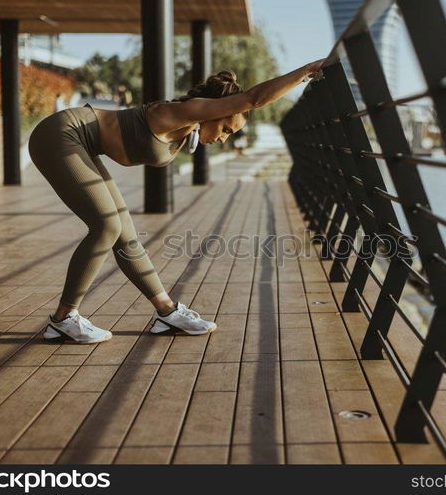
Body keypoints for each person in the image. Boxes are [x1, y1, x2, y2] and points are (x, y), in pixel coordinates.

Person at [27, 59, 325, 343]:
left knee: (125, 235)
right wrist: (307, 71)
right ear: (212, 112)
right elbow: (254, 98)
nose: (224, 139)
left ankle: (167, 313)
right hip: (61, 134)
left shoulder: (188, 127)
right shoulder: (183, 112)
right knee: (106, 226)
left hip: (81, 142)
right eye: (225, 129)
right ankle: (63, 319)